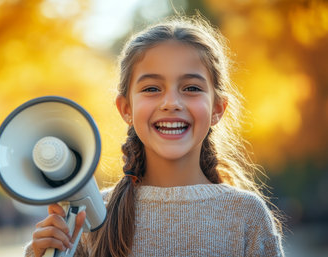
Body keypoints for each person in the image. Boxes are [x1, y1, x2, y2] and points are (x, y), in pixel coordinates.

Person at [25, 15, 284, 257]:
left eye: (191, 88)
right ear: (126, 108)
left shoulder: (247, 215)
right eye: (151, 88)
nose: (171, 102)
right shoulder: (92, 218)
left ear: (217, 109)